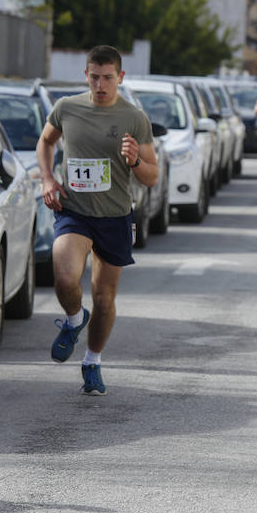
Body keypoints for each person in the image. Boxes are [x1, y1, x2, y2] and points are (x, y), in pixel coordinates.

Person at [36, 45, 158, 395]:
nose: (100, 84)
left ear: (120, 77)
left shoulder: (134, 118)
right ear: (85, 75)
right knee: (63, 276)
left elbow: (152, 177)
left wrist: (135, 161)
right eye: (94, 77)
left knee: (104, 299)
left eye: (107, 78)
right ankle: (75, 319)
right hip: (74, 212)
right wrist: (47, 178)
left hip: (115, 216)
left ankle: (92, 361)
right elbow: (45, 143)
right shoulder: (66, 108)